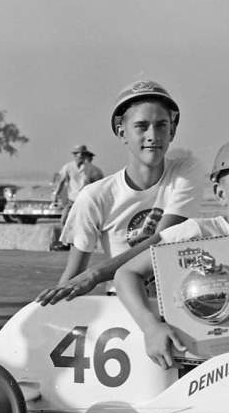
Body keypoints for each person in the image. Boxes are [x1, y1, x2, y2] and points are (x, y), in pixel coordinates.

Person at [115, 135, 229, 370]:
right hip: (204, 363)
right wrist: (150, 327)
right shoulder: (197, 232)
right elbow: (126, 274)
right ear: (220, 192)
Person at [35, 79, 205, 305]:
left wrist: (95, 274)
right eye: (141, 126)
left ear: (172, 131)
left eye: (161, 125)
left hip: (177, 302)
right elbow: (74, 275)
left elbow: (162, 242)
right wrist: (49, 312)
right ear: (121, 132)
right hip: (124, 304)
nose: (153, 135)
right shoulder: (94, 196)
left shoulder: (186, 171)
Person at [53, 144, 105, 231]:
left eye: (84, 154)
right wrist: (56, 195)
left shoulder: (91, 168)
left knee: (85, 223)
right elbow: (61, 182)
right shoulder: (68, 167)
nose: (82, 156)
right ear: (75, 155)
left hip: (85, 200)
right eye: (80, 154)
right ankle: (66, 239)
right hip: (72, 200)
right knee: (64, 220)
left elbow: (98, 185)